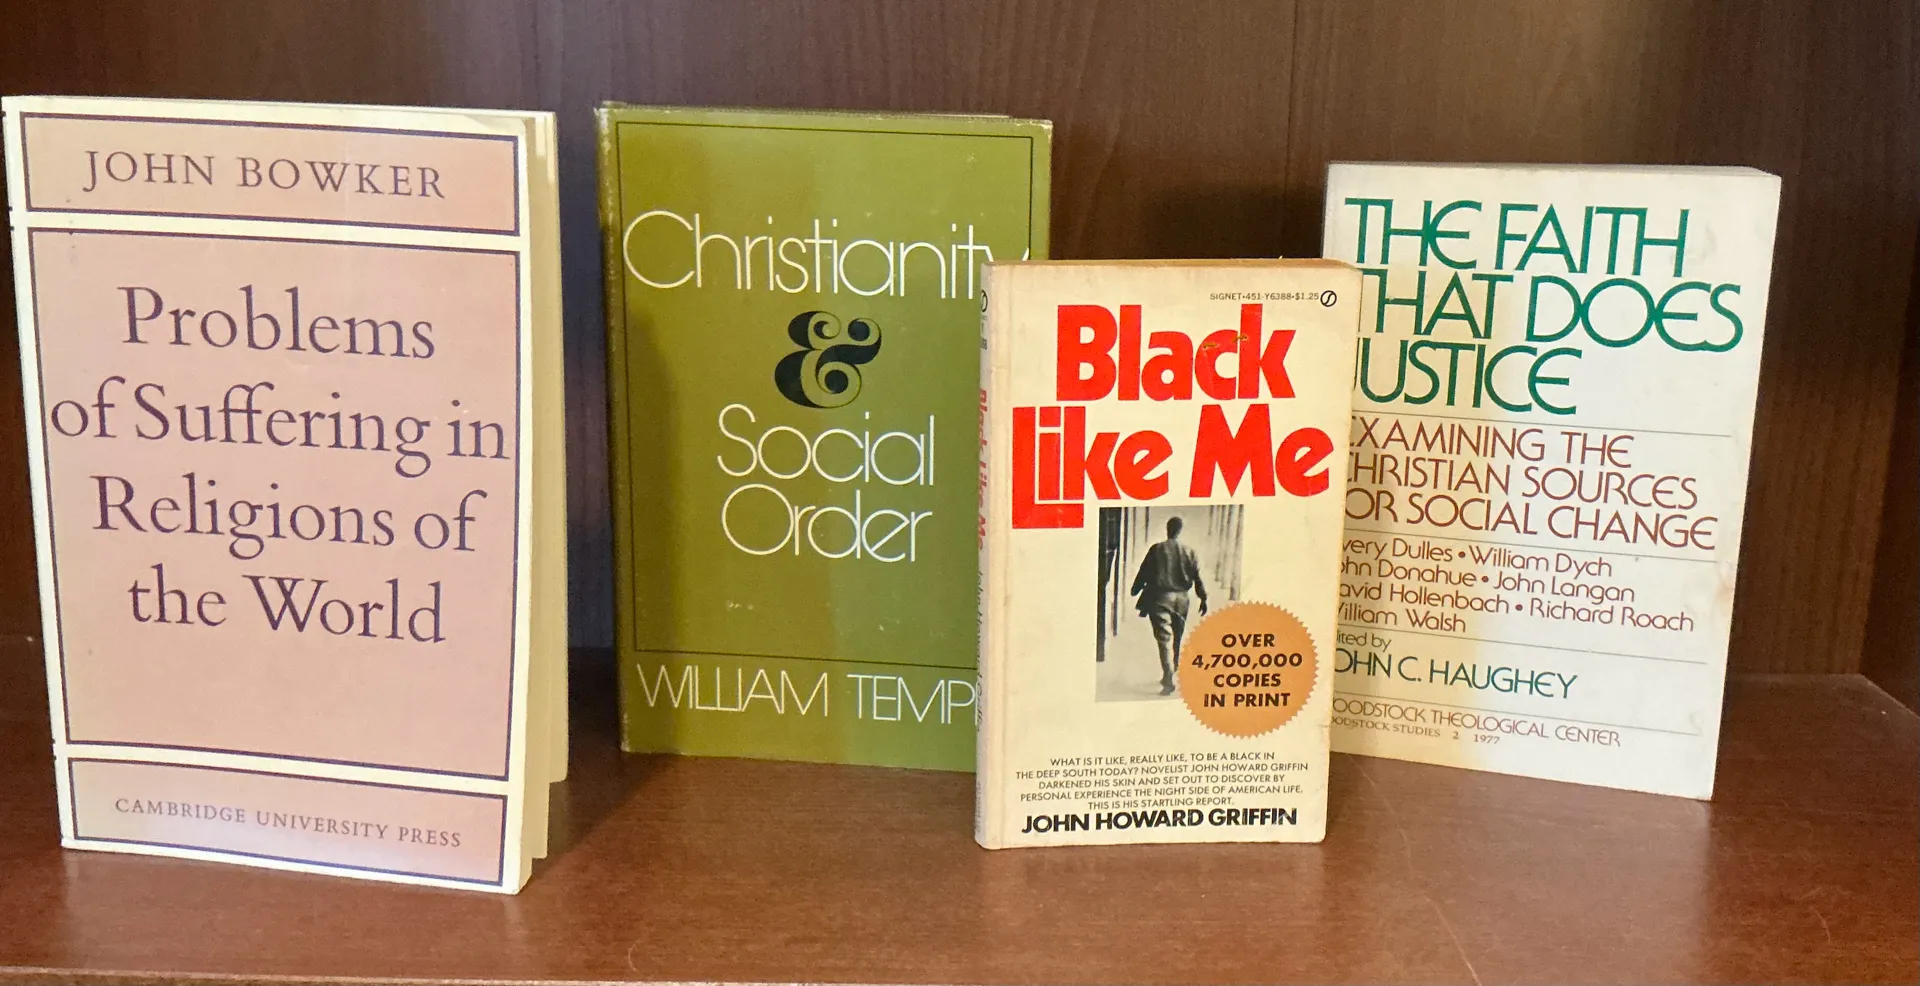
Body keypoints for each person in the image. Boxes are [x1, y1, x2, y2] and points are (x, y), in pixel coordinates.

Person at [1130, 516, 1208, 695]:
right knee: (1177, 636)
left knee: (1164, 639)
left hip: (1160, 598)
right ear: (1180, 531)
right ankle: (1174, 668)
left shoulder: (1156, 549)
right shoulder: (1190, 552)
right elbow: (1197, 578)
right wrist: (1203, 598)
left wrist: (1135, 589)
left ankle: (1168, 677)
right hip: (1182, 600)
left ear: (1168, 529)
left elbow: (1144, 572)